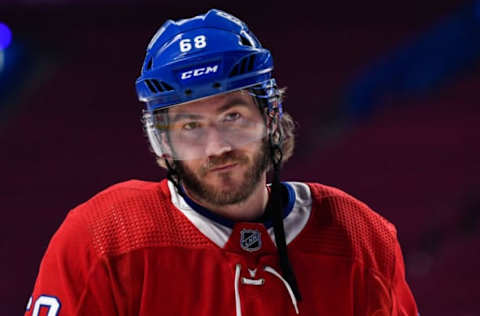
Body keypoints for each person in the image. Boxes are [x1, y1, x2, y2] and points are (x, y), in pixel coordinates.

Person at [25, 9, 418, 316]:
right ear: (162, 141)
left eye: (232, 117)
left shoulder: (360, 235)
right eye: (191, 126)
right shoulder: (105, 236)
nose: (216, 147)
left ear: (270, 118)